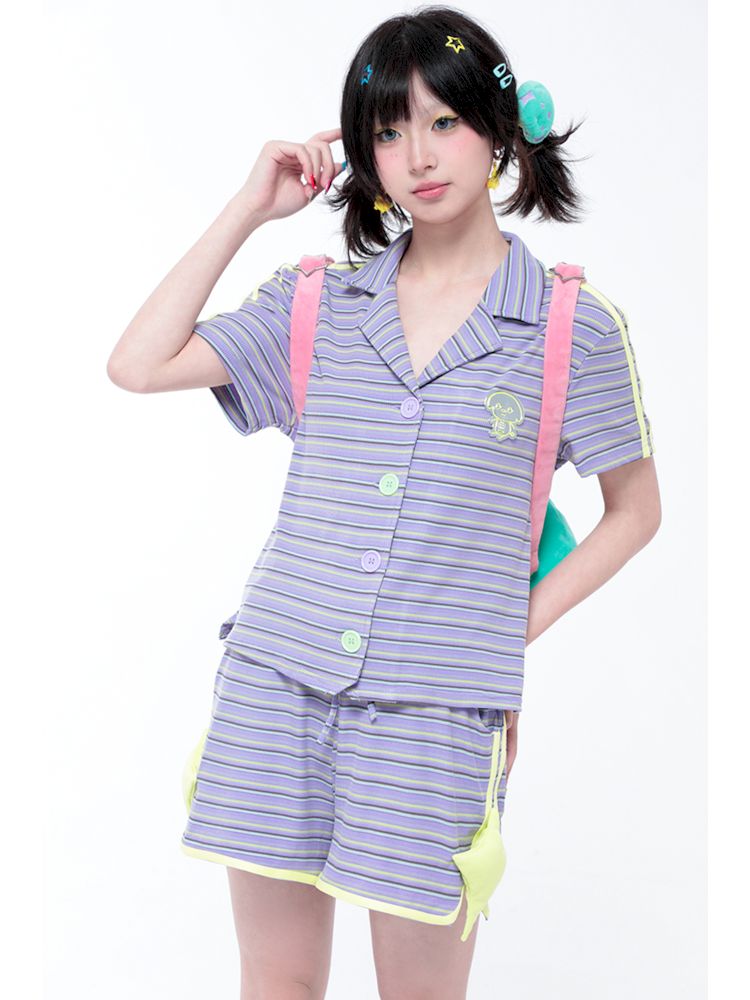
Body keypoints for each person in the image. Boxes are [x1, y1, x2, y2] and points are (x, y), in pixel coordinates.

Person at [107, 5, 661, 998]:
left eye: (444, 121)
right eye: (390, 131)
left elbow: (637, 512)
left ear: (501, 128)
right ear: (365, 155)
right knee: (276, 983)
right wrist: (248, 207)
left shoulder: (572, 327)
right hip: (275, 685)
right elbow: (138, 364)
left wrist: (507, 629)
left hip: (436, 714)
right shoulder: (317, 303)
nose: (420, 155)